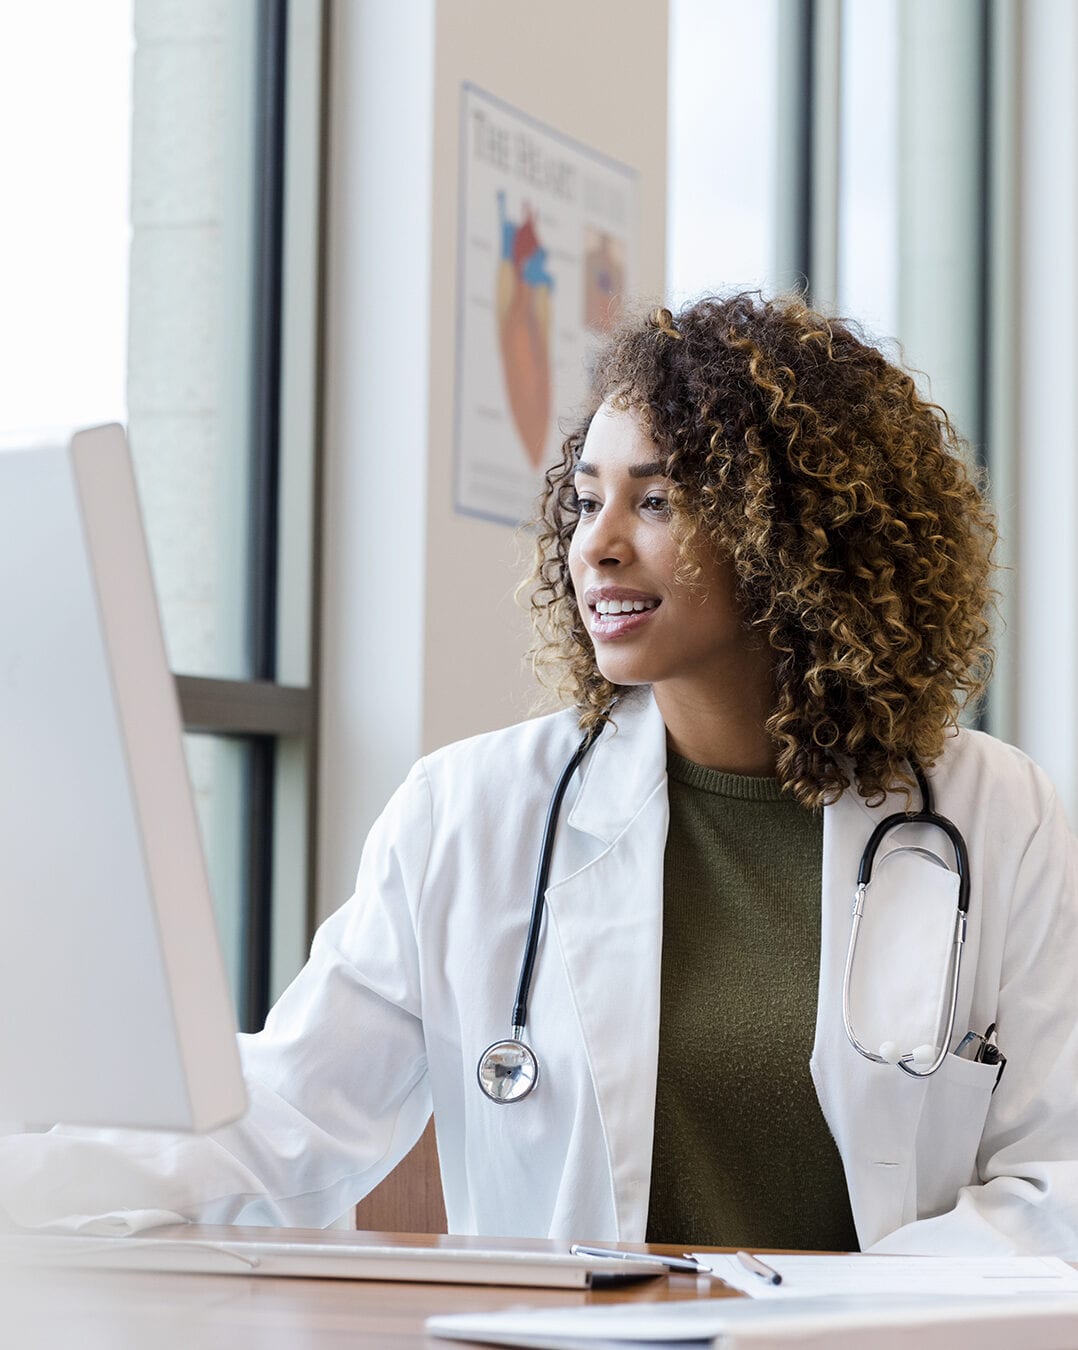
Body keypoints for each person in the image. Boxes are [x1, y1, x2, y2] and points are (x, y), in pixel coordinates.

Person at [2, 293, 1077, 1254]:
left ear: (793, 536)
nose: (594, 546)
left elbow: (1053, 1182)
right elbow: (285, 1121)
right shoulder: (470, 812)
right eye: (584, 498)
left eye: (655, 502)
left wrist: (828, 1319)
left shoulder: (996, 816)